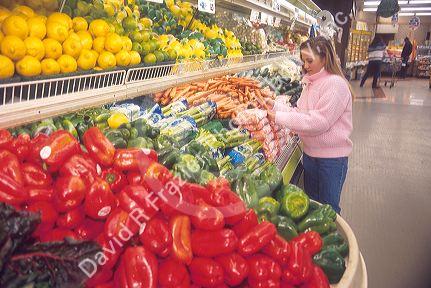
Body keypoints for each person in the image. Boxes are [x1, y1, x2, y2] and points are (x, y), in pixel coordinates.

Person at [267, 36, 353, 213]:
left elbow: (318, 122)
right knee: (312, 206)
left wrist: (278, 118)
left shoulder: (335, 85)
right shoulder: (310, 82)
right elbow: (300, 113)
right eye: (303, 61)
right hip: (310, 155)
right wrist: (274, 106)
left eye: (309, 60)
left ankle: (330, 241)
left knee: (328, 211)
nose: (305, 66)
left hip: (331, 160)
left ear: (324, 58)